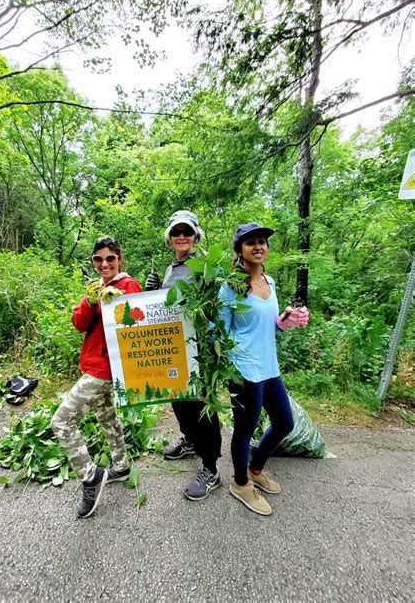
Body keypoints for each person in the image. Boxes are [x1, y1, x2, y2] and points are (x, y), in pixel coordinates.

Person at [219, 223, 308, 515]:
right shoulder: (231, 286)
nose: (258, 246)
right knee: (245, 429)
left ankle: (255, 468)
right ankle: (241, 483)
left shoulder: (269, 281)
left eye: (262, 242)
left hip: (270, 366)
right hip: (244, 369)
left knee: (284, 423)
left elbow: (272, 327)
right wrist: (231, 365)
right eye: (250, 243)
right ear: (240, 250)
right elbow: (217, 328)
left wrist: (286, 321)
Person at [51, 236, 141, 518]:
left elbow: (140, 322)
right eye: (98, 259)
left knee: (61, 422)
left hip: (105, 368)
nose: (104, 264)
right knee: (106, 416)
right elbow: (79, 323)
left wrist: (130, 300)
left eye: (110, 259)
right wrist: (91, 300)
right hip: (95, 365)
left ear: (120, 259)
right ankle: (122, 464)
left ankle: (90, 477)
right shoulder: (97, 287)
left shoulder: (128, 285)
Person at [145, 210, 222, 500]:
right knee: (178, 398)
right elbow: (165, 308)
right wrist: (152, 292)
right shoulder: (171, 268)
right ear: (169, 237)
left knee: (202, 406)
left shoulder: (204, 266)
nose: (181, 236)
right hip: (174, 347)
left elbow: (214, 303)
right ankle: (190, 441)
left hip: (199, 349)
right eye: (176, 232)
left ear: (196, 236)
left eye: (187, 232)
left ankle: (211, 467)